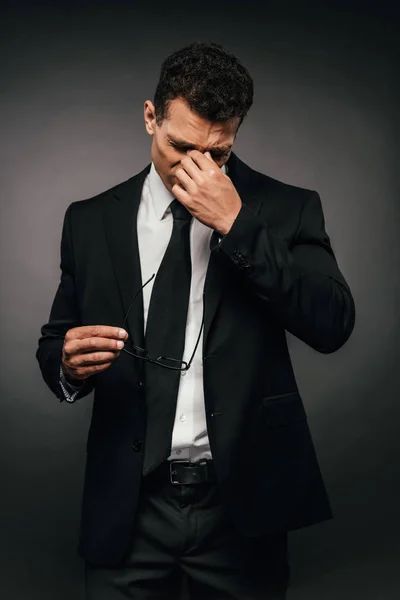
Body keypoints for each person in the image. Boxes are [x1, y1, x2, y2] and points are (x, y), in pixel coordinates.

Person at [36, 41, 356, 600]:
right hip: (129, 506)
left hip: (242, 504)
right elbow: (53, 342)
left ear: (234, 133)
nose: (196, 167)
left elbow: (331, 324)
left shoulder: (287, 208)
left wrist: (237, 224)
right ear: (149, 117)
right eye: (179, 145)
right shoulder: (89, 221)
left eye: (218, 153)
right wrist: (67, 361)